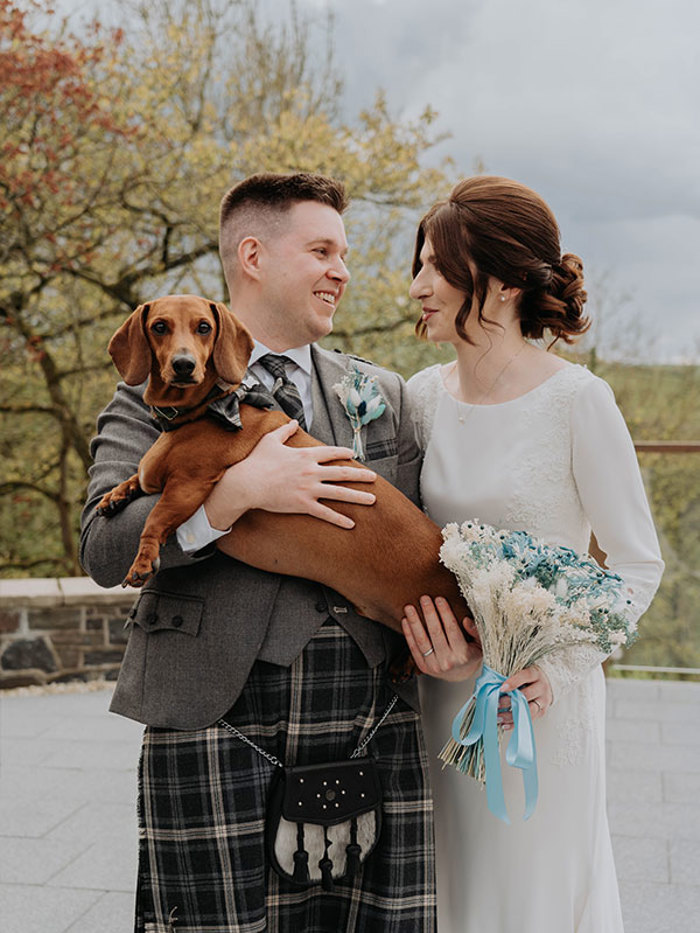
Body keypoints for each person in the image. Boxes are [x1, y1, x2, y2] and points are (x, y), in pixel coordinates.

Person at [80, 172, 441, 932]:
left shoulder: (382, 392)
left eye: (343, 252)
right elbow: (104, 548)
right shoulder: (150, 394)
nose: (341, 270)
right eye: (321, 250)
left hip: (370, 715)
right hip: (216, 712)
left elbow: (424, 550)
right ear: (253, 254)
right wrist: (235, 495)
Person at [400, 176, 664, 933]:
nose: (416, 286)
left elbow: (637, 562)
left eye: (436, 268)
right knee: (447, 893)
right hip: (438, 697)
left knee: (530, 896)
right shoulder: (420, 397)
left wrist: (557, 668)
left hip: (538, 709)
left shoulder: (578, 401)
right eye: (418, 265)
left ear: (506, 282)